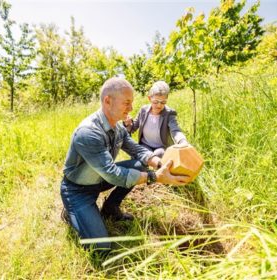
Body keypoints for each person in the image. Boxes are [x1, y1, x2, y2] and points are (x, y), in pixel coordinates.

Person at [60, 77, 191, 252]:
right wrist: (154, 177)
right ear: (108, 101)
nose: (131, 108)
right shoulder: (88, 133)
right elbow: (113, 174)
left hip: (99, 179)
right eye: (127, 103)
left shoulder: (118, 128)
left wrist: (159, 164)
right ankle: (71, 211)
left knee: (139, 165)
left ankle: (110, 208)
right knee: (101, 247)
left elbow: (137, 150)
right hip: (78, 189)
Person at [124, 81, 189, 158]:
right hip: (145, 145)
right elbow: (133, 128)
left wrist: (182, 141)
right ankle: (142, 169)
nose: (159, 105)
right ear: (149, 98)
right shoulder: (143, 110)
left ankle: (159, 168)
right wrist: (128, 124)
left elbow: (176, 130)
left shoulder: (169, 113)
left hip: (161, 147)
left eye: (163, 102)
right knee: (142, 154)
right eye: (156, 102)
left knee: (159, 154)